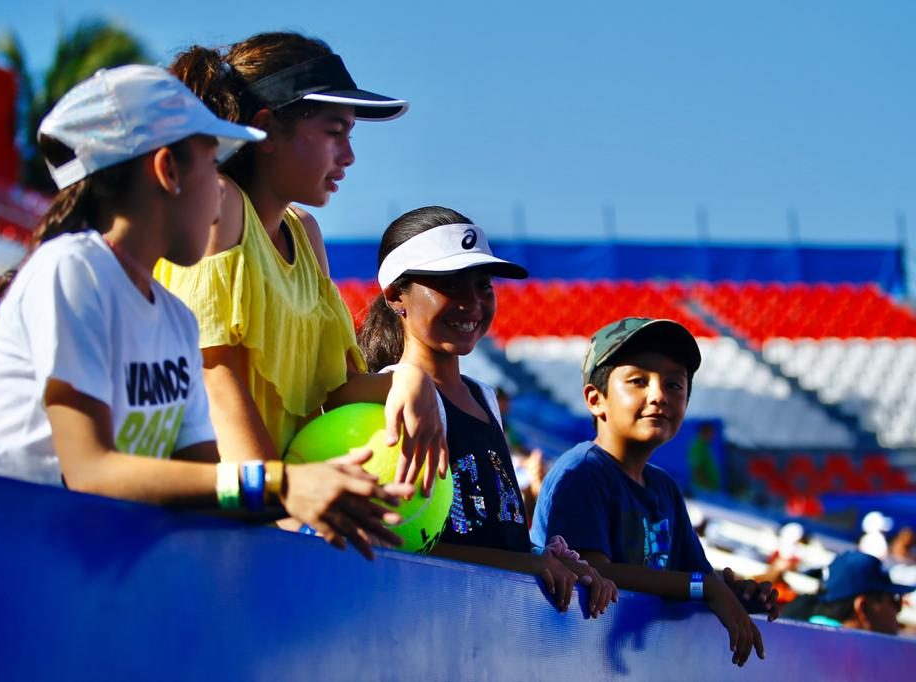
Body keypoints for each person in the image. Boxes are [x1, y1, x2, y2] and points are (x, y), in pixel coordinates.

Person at [0, 64, 409, 559]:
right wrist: (283, 485)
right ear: (168, 170)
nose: (220, 194)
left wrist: (321, 502)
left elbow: (208, 483)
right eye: (214, 166)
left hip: (60, 561)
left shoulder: (175, 318)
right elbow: (90, 471)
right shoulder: (72, 269)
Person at [156, 33, 447, 496]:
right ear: (268, 129)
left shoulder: (305, 232)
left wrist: (411, 381)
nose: (349, 156)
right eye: (335, 132)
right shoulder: (221, 203)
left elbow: (333, 387)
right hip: (226, 511)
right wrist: (277, 496)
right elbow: (213, 373)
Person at [358, 206, 618, 615]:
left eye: (483, 286)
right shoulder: (389, 396)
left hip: (489, 626)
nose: (472, 303)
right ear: (395, 295)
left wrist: (550, 557)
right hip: (428, 624)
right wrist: (526, 564)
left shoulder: (485, 397)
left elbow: (490, 529)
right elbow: (405, 546)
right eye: (450, 286)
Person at [532, 317, 779, 666]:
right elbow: (594, 573)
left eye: (674, 385)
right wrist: (704, 588)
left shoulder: (663, 487)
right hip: (570, 661)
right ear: (595, 399)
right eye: (638, 381)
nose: (659, 395)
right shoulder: (582, 473)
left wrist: (736, 595)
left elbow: (695, 577)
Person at [809, 551, 914, 635]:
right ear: (862, 607)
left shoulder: (803, 638)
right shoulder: (846, 656)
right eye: (895, 600)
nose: (899, 610)